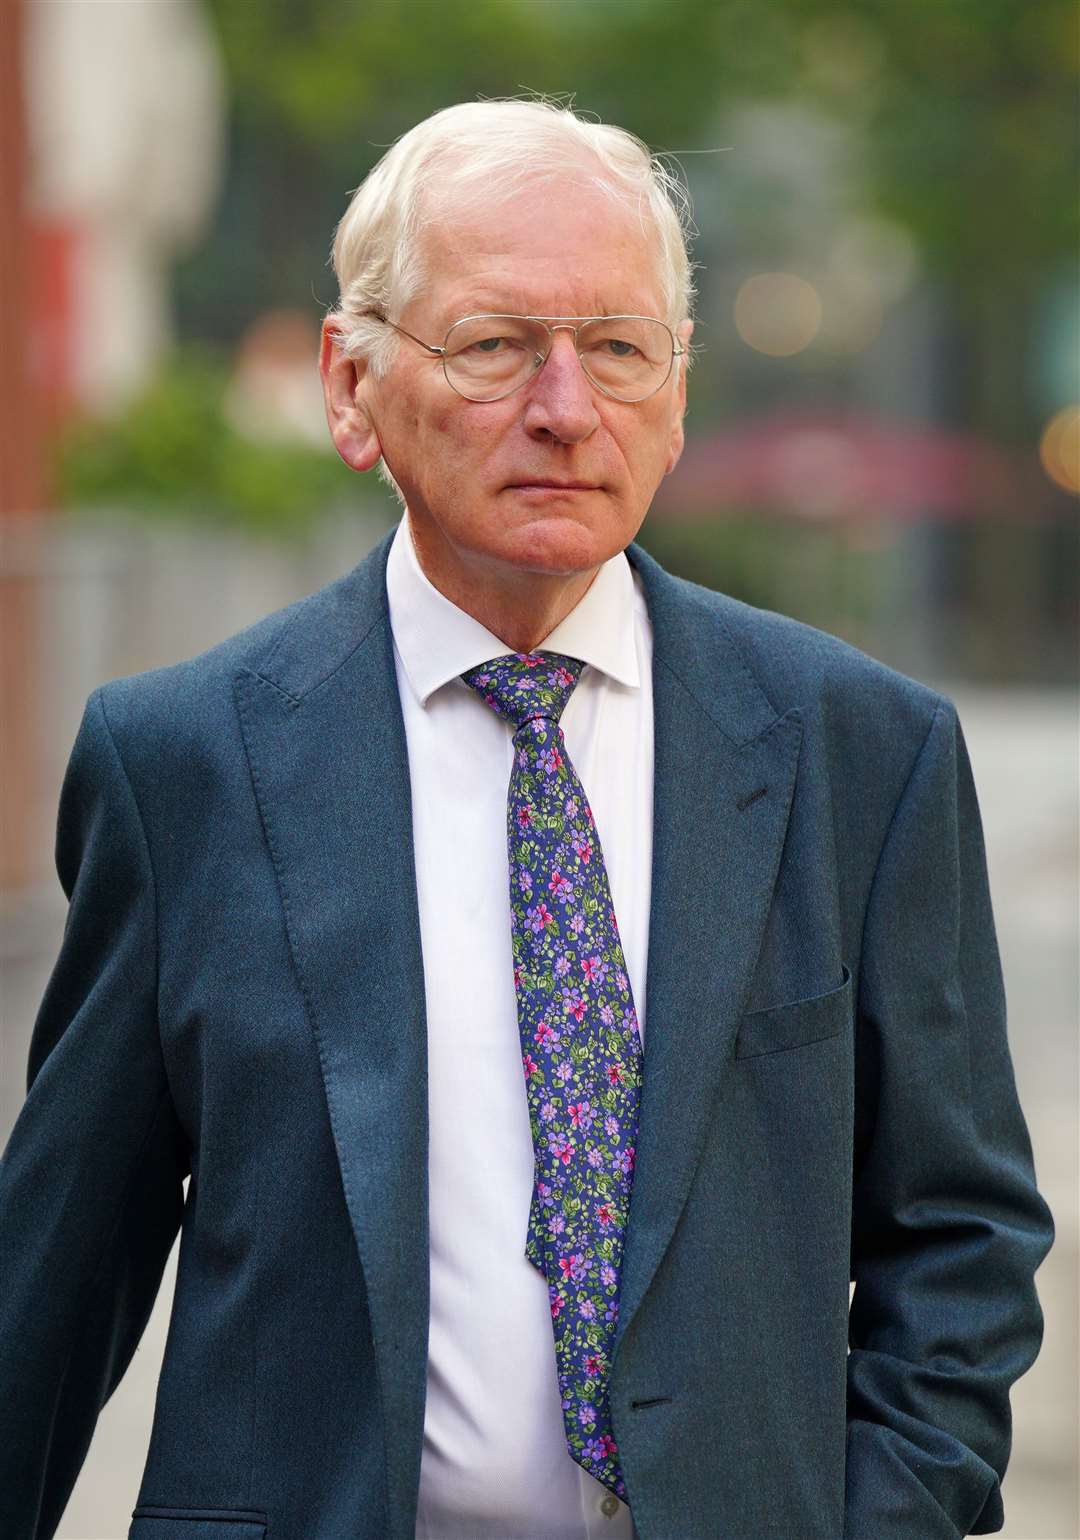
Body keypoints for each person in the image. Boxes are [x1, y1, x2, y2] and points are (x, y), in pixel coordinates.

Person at [0, 99, 1054, 1540]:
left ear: (677, 399)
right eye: (495, 346)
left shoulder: (859, 753)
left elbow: (960, 1240)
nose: (566, 407)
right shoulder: (184, 760)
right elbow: (62, 1264)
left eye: (619, 350)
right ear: (350, 382)